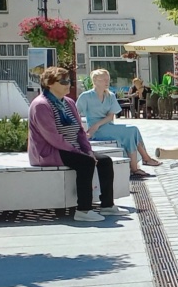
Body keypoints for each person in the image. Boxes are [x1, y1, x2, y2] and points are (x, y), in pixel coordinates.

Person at [27, 66, 121, 222]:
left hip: (72, 148)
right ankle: (83, 210)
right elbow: (53, 138)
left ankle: (107, 205)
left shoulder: (69, 102)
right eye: (63, 81)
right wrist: (80, 153)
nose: (67, 85)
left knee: (105, 161)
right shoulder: (41, 105)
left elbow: (79, 132)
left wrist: (87, 150)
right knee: (86, 162)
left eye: (68, 81)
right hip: (50, 152)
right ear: (49, 83)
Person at [77, 69, 162, 179]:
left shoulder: (110, 96)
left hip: (105, 126)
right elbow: (76, 113)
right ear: (95, 80)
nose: (107, 82)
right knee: (131, 131)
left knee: (132, 130)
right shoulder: (86, 96)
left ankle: (137, 166)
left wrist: (97, 124)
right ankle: (142, 162)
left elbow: (110, 116)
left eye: (108, 79)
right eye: (103, 79)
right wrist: (81, 132)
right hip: (95, 131)